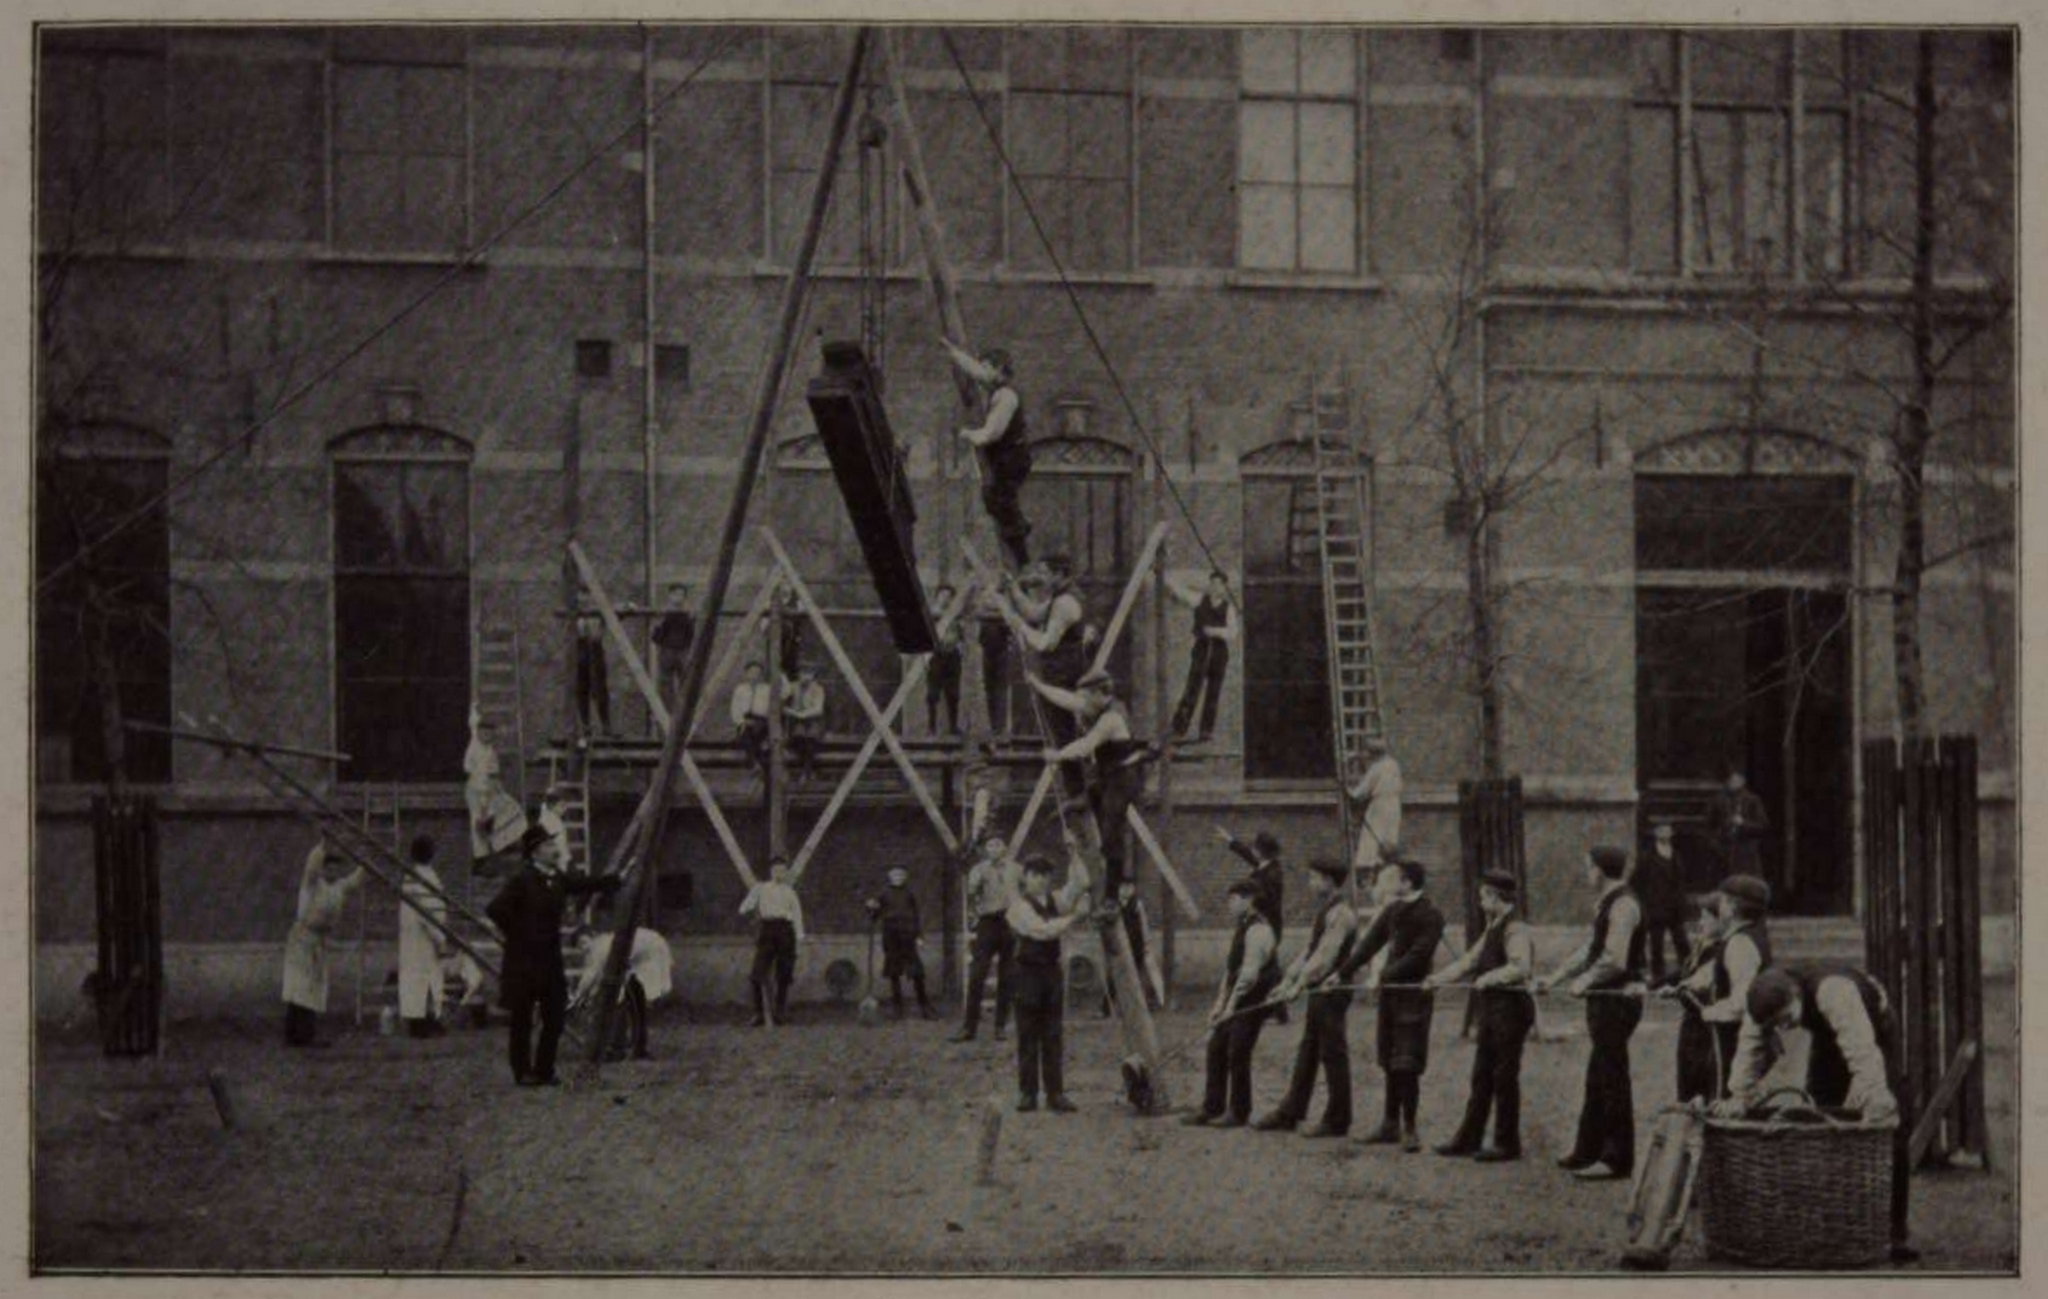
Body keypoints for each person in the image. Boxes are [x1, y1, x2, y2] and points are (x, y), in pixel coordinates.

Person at [1716, 965, 1918, 1264]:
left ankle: (1891, 1232)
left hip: (1873, 1032)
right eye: (1776, 1024)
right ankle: (1828, 1225)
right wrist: (1739, 1096)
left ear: (1796, 995)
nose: (1783, 1027)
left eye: (1786, 1018)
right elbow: (1750, 1050)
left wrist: (1873, 1095)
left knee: (1887, 1127)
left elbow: (1863, 1052)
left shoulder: (1834, 992)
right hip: (1827, 1036)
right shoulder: (1758, 1001)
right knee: (1819, 1117)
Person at [1533, 845, 1647, 1181]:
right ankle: (1588, 1150)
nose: (1587, 874)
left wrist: (1583, 981)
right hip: (1604, 1001)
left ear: (1599, 870)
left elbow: (1614, 960)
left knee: (1612, 1078)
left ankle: (1616, 1160)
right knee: (1597, 1076)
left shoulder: (1624, 905)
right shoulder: (1608, 903)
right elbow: (1590, 949)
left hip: (1617, 1001)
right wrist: (1555, 977)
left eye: (1588, 867)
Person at [485, 825, 620, 1085]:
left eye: (554, 844)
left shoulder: (557, 878)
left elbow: (583, 884)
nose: (555, 849)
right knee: (522, 1018)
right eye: (549, 845)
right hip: (523, 960)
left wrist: (613, 880)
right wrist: (520, 935)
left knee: (555, 1014)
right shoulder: (522, 880)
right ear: (535, 852)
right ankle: (523, 1072)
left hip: (549, 959)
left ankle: (544, 1069)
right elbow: (495, 909)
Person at [1336, 858, 1446, 1151]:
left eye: (1391, 878)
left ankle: (1410, 1128)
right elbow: (1369, 945)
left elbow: (1418, 956)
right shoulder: (1393, 910)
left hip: (1413, 996)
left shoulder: (1431, 915)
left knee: (1406, 1062)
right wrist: (1342, 972)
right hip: (1390, 996)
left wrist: (1381, 976)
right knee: (1388, 1059)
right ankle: (1389, 1124)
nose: (1384, 883)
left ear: (1407, 882)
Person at [1428, 871, 1537, 1161]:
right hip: (1493, 1011)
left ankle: (1507, 1143)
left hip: (1512, 1012)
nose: (1480, 901)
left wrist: (1488, 978)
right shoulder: (1494, 926)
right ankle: (1469, 1138)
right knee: (1481, 1076)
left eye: (1483, 896)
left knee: (1504, 1077)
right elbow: (1470, 960)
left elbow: (1520, 967)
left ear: (1495, 896)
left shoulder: (1515, 928)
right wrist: (1438, 978)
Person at [1254, 858, 1360, 1138]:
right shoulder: (1327, 910)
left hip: (1332, 990)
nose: (1310, 883)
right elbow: (1310, 950)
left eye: (1314, 878)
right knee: (1309, 1049)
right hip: (1319, 989)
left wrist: (1299, 984)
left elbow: (1325, 957)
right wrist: (1287, 981)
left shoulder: (1342, 914)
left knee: (1333, 1053)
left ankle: (1338, 1119)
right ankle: (1291, 1111)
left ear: (1329, 880)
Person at [1028, 666, 1151, 895]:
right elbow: (1066, 700)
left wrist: (1057, 755)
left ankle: (1112, 896)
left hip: (1124, 778)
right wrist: (1039, 687)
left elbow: (1085, 746)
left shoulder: (1112, 718)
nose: (1082, 703)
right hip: (1107, 776)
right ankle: (1086, 800)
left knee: (1110, 832)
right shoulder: (1096, 704)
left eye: (1086, 697)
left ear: (1099, 693)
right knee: (1093, 798)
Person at [1663, 874, 1772, 1102]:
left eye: (1722, 900)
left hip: (1733, 1037)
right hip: (1734, 1035)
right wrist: (1688, 984)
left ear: (1732, 907)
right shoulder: (1743, 937)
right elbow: (1715, 970)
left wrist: (1710, 1012)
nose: (1719, 906)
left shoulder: (1741, 943)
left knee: (1723, 1098)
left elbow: (1742, 1000)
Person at [1183, 879, 1283, 1129]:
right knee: (1216, 1046)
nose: (1230, 904)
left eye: (1234, 899)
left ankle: (1239, 1111)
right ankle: (1212, 1107)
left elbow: (1248, 975)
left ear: (1249, 900)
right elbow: (1231, 970)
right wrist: (1219, 1005)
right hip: (1238, 996)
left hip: (1255, 998)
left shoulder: (1259, 930)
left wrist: (1230, 1008)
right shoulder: (1242, 926)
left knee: (1238, 1050)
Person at [1006, 841, 1093, 1113]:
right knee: (1028, 1034)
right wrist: (1074, 918)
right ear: (1025, 877)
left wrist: (1074, 853)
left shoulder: (1056, 900)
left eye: (1045, 875)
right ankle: (1028, 1093)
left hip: (1051, 973)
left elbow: (1080, 883)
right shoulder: (1018, 907)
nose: (1041, 880)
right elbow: (1041, 930)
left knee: (1053, 1034)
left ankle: (1055, 1093)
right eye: (1035, 875)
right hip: (1027, 974)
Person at [944, 339, 1034, 566]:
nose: (982, 372)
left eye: (987, 367)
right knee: (992, 498)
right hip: (1005, 457)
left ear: (999, 369)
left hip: (1012, 458)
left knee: (1002, 501)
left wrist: (968, 434)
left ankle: (1021, 557)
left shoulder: (1006, 397)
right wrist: (954, 353)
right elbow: (976, 371)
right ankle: (1018, 530)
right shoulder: (996, 387)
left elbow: (991, 433)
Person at [281, 840, 365, 1048]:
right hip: (303, 938)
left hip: (319, 941)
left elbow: (355, 881)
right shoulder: (312, 884)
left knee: (312, 988)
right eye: (329, 868)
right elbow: (311, 866)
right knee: (300, 987)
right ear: (323, 868)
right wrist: (322, 847)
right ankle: (298, 1035)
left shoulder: (339, 887)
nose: (333, 872)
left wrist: (364, 862)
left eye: (337, 869)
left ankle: (302, 1034)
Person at [571, 921, 674, 1061]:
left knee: (623, 1003)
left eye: (584, 942)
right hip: (642, 957)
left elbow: (591, 975)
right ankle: (633, 1047)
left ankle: (619, 1048)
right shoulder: (605, 943)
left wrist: (577, 997)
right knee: (631, 1002)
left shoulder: (599, 946)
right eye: (580, 947)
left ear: (593, 936)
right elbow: (596, 976)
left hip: (650, 954)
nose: (584, 947)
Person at [954, 833, 1018, 1043]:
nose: (994, 849)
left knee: (1007, 976)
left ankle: (1000, 1026)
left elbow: (1027, 892)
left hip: (1010, 922)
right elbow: (971, 894)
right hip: (988, 923)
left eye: (998, 844)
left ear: (1004, 848)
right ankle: (968, 1028)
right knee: (977, 974)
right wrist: (976, 885)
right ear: (985, 849)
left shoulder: (1016, 869)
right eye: (990, 845)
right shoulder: (978, 869)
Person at [1168, 570, 1239, 742]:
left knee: (1213, 692)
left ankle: (1206, 731)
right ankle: (1179, 728)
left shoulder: (1229, 608)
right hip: (1201, 649)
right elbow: (1181, 593)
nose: (1215, 587)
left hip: (1219, 653)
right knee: (1192, 689)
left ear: (1224, 587)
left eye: (1219, 584)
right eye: (1212, 583)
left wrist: (1214, 631)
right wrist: (1164, 577)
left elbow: (1233, 632)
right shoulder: (1199, 600)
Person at [739, 856, 804, 1026]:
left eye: (782, 871)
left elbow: (797, 916)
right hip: (767, 930)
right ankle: (758, 1014)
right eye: (776, 870)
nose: (779, 874)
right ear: (770, 871)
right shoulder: (760, 888)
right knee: (757, 974)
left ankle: (779, 1013)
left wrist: (799, 940)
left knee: (784, 975)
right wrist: (750, 907)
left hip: (785, 931)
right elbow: (744, 908)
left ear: (786, 873)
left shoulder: (790, 892)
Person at [866, 866, 937, 1021]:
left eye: (901, 874)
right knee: (894, 972)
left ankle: (925, 1006)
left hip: (908, 937)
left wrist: (919, 936)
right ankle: (897, 1008)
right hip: (891, 937)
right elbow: (874, 916)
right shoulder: (883, 894)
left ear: (905, 877)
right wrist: (871, 908)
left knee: (917, 972)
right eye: (895, 874)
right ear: (889, 876)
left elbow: (916, 916)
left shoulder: (909, 894)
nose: (898, 877)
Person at [396, 834, 449, 1039]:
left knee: (424, 977)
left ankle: (427, 1018)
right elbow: (429, 911)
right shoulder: (421, 878)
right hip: (423, 934)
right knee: (421, 977)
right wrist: (439, 939)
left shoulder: (414, 875)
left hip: (418, 934)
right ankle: (419, 1022)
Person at [463, 713, 526, 862]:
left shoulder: (490, 750)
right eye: (484, 732)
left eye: (490, 733)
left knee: (512, 809)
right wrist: (486, 803)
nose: (487, 736)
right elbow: (483, 778)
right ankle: (482, 857)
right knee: (479, 821)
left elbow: (494, 778)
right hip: (477, 790)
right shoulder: (475, 746)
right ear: (479, 733)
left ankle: (502, 845)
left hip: (488, 790)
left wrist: (498, 790)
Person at [1636, 821, 1691, 983]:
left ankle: (1688, 970)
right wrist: (1646, 902)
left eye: (1667, 830)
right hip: (1656, 907)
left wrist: (1681, 901)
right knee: (1657, 944)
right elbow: (1638, 881)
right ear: (1655, 834)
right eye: (1661, 830)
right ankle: (1658, 976)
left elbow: (1680, 881)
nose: (1665, 833)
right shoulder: (1647, 857)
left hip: (1674, 907)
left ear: (1671, 833)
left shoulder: (1676, 855)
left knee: (1681, 941)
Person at [1347, 736, 1403, 873]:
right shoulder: (1393, 764)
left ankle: (1368, 865)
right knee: (1388, 836)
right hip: (1394, 804)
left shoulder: (1376, 768)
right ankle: (1386, 862)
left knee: (1372, 836)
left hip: (1380, 805)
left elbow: (1359, 793)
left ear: (1373, 753)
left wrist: (1347, 790)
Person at [1218, 826, 1285, 938]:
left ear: (1260, 851)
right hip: (1260, 923)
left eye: (1254, 847)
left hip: (1266, 926)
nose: (1252, 849)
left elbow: (1270, 900)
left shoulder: (1272, 874)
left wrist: (1247, 896)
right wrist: (1229, 839)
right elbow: (1246, 853)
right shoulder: (1266, 864)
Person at [1708, 767, 1770, 879]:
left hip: (1746, 851)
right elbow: (1710, 823)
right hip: (1724, 849)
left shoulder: (1752, 800)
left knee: (1746, 882)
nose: (1732, 783)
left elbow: (1763, 825)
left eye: (1736, 780)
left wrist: (1743, 823)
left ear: (1743, 781)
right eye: (1731, 780)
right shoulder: (1719, 800)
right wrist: (1715, 842)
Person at [926, 583, 964, 736]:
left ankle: (953, 727)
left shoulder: (956, 615)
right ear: (937, 597)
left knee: (953, 693)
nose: (946, 599)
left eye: (949, 597)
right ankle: (931, 727)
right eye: (943, 596)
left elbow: (961, 634)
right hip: (936, 655)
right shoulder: (932, 613)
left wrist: (960, 648)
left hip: (952, 655)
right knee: (933, 693)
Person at [652, 581, 696, 708]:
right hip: (667, 651)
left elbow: (691, 635)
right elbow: (655, 637)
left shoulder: (687, 614)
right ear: (670, 595)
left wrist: (691, 620)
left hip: (683, 651)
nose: (678, 598)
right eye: (676, 594)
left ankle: (684, 710)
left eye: (681, 595)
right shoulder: (663, 613)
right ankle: (668, 710)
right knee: (665, 683)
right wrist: (660, 624)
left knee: (686, 681)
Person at [572, 602, 612, 741]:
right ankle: (586, 726)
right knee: (581, 689)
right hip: (580, 649)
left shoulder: (598, 609)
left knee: (599, 688)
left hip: (595, 649)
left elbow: (614, 614)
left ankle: (605, 725)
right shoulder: (575, 610)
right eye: (582, 596)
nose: (584, 599)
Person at [730, 661, 774, 773]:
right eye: (752, 672)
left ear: (761, 675)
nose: (755, 675)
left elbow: (771, 707)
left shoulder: (767, 689)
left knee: (758, 738)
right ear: (746, 674)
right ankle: (755, 764)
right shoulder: (740, 689)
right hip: (746, 720)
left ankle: (755, 764)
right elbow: (735, 708)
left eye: (758, 673)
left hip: (761, 720)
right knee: (745, 736)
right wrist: (741, 721)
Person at [784, 666, 827, 781]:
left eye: (809, 674)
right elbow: (783, 695)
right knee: (799, 738)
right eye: (803, 673)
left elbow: (818, 709)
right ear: (799, 674)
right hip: (796, 722)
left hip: (812, 720)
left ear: (813, 676)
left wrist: (799, 714)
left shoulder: (818, 689)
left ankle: (806, 772)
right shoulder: (793, 686)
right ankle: (808, 771)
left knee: (811, 740)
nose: (806, 677)